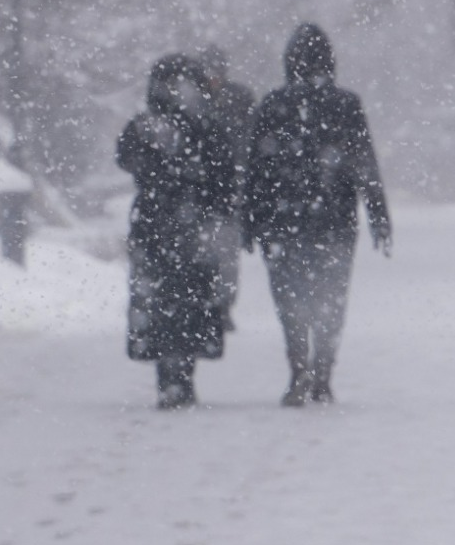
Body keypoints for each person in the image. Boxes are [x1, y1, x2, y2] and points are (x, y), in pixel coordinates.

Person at [244, 23, 392, 407]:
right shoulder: (346, 104)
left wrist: (250, 220)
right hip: (334, 221)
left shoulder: (272, 105)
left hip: (283, 222)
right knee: (331, 298)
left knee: (290, 300)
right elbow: (365, 165)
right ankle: (323, 373)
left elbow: (256, 170)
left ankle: (298, 370)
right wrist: (378, 216)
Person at [117, 54, 237, 409]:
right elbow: (224, 176)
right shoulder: (207, 126)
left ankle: (168, 375)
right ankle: (182, 373)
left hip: (155, 223)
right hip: (193, 227)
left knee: (160, 300)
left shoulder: (146, 125)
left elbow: (125, 158)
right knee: (191, 300)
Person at [194, 45, 257, 332]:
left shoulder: (240, 99)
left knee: (227, 255)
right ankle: (207, 303)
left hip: (229, 191)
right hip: (203, 194)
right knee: (204, 253)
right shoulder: (193, 103)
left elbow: (251, 140)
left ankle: (222, 305)